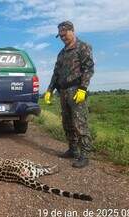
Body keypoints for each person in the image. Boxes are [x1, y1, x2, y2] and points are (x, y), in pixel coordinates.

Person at [44, 21, 94, 168]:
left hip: (76, 90)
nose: (62, 37)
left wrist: (83, 88)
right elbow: (56, 73)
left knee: (80, 123)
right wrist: (49, 90)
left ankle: (85, 155)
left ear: (72, 31)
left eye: (64, 34)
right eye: (60, 35)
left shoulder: (83, 47)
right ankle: (73, 150)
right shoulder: (61, 53)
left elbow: (88, 69)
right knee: (67, 123)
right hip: (63, 92)